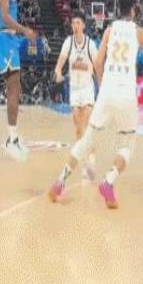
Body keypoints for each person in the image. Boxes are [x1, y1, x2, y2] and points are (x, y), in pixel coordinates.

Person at [49, 0, 143, 208]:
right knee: (128, 144)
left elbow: (98, 62)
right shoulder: (138, 32)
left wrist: (101, 83)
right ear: (133, 10)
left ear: (118, 9)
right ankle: (109, 181)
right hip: (126, 94)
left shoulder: (109, 29)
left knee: (86, 140)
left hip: (107, 92)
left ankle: (60, 182)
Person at [0, 0, 36, 161]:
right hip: (6, 38)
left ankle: (13, 137)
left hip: (6, 38)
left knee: (14, 88)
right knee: (13, 89)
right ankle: (11, 139)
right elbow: (5, 17)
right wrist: (24, 30)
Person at [54, 11, 98, 181]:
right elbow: (61, 60)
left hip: (87, 88)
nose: (75, 26)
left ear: (84, 25)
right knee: (78, 129)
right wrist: (58, 71)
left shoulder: (90, 44)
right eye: (73, 23)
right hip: (74, 89)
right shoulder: (68, 42)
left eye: (78, 23)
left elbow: (97, 65)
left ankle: (91, 161)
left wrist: (101, 81)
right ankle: (85, 161)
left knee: (86, 126)